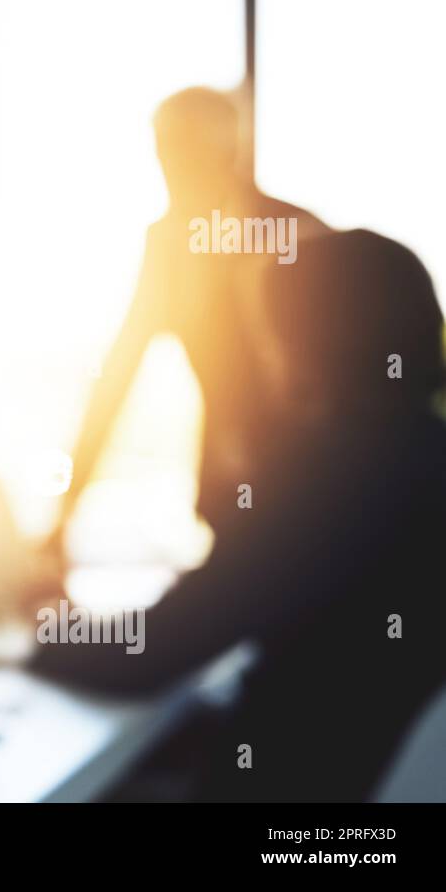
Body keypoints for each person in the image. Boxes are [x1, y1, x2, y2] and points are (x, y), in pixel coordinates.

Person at [27, 229, 446, 801]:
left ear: (308, 347)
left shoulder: (324, 476)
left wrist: (49, 628)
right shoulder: (422, 456)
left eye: (272, 338)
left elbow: (151, 653)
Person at [37, 88, 329, 583]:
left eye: (181, 156)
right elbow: (116, 380)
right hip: (229, 498)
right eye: (162, 155)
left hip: (311, 496)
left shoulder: (297, 237)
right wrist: (63, 518)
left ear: (226, 156)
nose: (168, 174)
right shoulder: (169, 244)